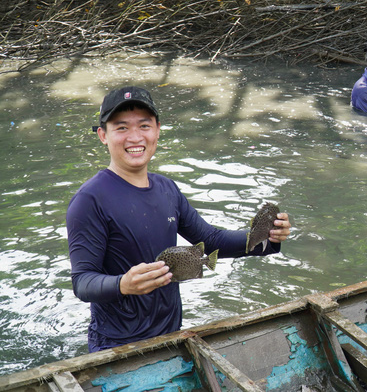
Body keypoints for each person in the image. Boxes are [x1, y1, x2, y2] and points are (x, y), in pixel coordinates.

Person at [66, 86, 291, 352]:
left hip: (171, 336)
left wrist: (265, 237)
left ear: (158, 130)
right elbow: (83, 282)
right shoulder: (90, 200)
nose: (135, 137)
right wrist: (122, 284)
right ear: (103, 135)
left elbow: (210, 240)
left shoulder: (167, 189)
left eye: (144, 126)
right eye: (122, 128)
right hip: (117, 344)